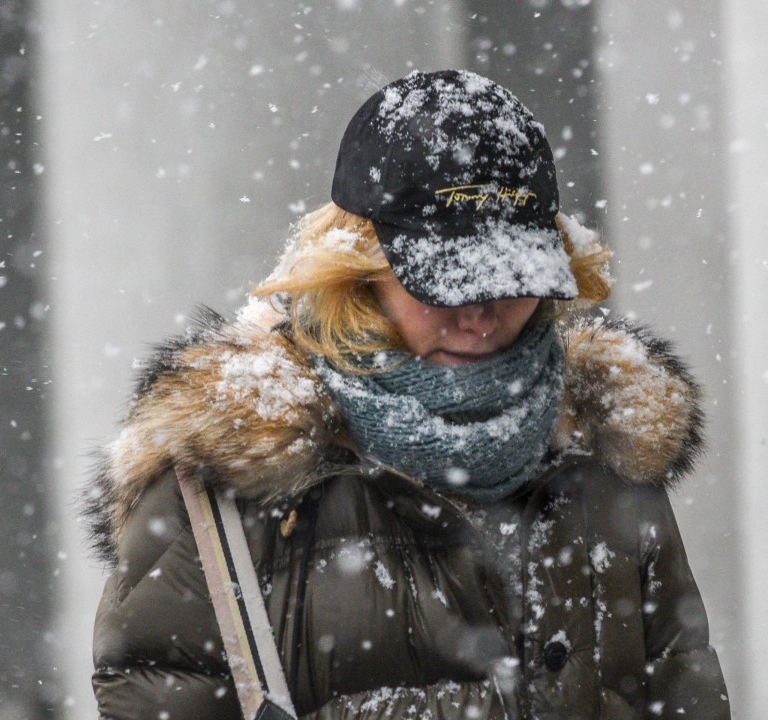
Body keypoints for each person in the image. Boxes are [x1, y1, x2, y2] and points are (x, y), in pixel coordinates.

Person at [85, 69, 729, 719]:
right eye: (446, 283)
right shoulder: (224, 484)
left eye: (515, 277)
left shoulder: (601, 453)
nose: (481, 316)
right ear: (357, 273)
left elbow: (683, 689)